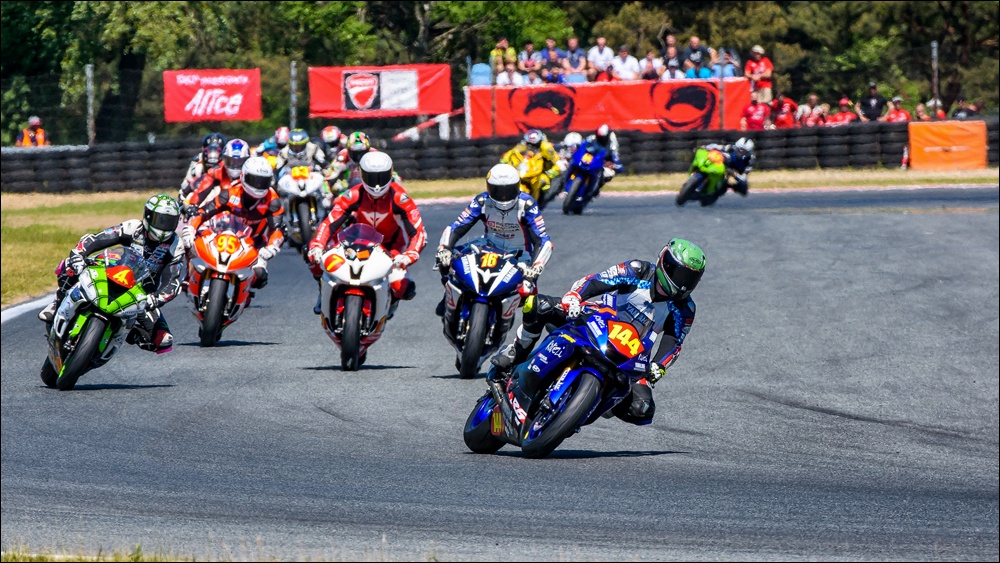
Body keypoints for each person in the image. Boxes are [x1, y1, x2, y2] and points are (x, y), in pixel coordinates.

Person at [490, 238, 706, 428]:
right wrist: (575, 296)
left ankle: (582, 408)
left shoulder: (685, 308)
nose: (683, 283)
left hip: (631, 354)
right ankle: (516, 354)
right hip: (596, 318)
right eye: (680, 274)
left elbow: (674, 341)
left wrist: (658, 366)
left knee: (642, 409)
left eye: (690, 279)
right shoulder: (638, 270)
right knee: (539, 305)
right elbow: (598, 280)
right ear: (665, 263)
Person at [38, 194, 185, 354]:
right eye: (161, 220)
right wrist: (79, 254)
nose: (164, 227)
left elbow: (173, 281)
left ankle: (127, 332)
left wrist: (156, 299)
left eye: (169, 222)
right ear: (148, 216)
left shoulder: (175, 245)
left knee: (163, 340)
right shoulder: (133, 227)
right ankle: (58, 302)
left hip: (140, 295)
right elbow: (97, 239)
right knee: (69, 265)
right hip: (111, 274)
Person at [306, 151, 427, 318]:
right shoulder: (353, 195)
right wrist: (318, 245)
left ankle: (391, 302)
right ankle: (323, 290)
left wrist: (410, 254)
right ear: (362, 174)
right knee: (312, 254)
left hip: (391, 248)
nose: (377, 184)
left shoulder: (401, 198)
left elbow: (418, 231)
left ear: (390, 174)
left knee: (402, 287)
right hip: (355, 243)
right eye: (372, 177)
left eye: (381, 177)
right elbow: (329, 223)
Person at [433, 163, 554, 316]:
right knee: (447, 259)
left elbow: (542, 239)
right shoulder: (482, 201)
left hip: (520, 254)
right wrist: (445, 248)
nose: (503, 196)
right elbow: (458, 226)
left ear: (517, 186)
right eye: (498, 190)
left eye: (508, 190)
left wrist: (536, 266)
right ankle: (448, 294)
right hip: (488, 245)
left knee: (529, 296)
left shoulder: (527, 205)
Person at [182, 156, 284, 290]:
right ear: (243, 176)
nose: (258, 186)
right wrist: (191, 228)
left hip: (255, 244)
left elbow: (277, 229)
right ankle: (188, 276)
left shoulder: (273, 201)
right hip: (223, 235)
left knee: (260, 277)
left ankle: (244, 292)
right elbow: (203, 213)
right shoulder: (229, 194)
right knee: (190, 243)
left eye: (262, 182)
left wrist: (271, 247)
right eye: (254, 180)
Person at [181, 138, 251, 211]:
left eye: (239, 162)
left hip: (247, 211)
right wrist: (193, 206)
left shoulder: (252, 174)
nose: (235, 165)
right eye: (231, 161)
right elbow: (202, 190)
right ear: (224, 159)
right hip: (220, 211)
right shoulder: (217, 171)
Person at [500, 129, 562, 201]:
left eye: (535, 144)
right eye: (529, 144)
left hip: (542, 172)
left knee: (544, 183)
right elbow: (513, 151)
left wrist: (553, 171)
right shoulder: (523, 145)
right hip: (526, 168)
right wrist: (505, 159)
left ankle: (540, 200)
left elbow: (555, 162)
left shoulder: (547, 148)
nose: (531, 146)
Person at [698, 137, 756, 203]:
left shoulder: (750, 159)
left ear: (749, 152)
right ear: (736, 147)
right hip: (725, 164)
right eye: (740, 150)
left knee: (743, 189)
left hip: (737, 170)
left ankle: (725, 186)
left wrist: (735, 175)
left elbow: (744, 175)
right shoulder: (730, 148)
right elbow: (717, 146)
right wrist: (705, 147)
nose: (741, 152)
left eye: (744, 151)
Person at [585, 124, 624, 196]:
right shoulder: (590, 139)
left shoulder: (612, 147)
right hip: (586, 160)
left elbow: (619, 167)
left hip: (599, 166)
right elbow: (580, 147)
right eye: (599, 137)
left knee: (609, 173)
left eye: (603, 138)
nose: (600, 140)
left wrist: (612, 165)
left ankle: (597, 187)